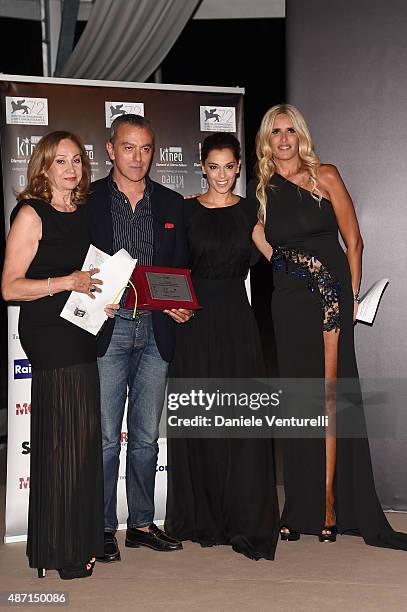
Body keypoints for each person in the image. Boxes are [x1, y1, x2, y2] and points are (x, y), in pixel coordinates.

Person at [251, 103, 407, 549]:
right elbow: (258, 236)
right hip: (288, 302)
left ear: (301, 135)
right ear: (267, 140)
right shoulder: (263, 187)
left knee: (331, 396)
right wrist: (283, 261)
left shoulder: (327, 176)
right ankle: (298, 506)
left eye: (290, 131)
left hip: (330, 297)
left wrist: (350, 296)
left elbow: (353, 240)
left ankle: (331, 504)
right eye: (275, 132)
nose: (283, 140)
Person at [1, 131, 115, 579]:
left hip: (82, 327)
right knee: (67, 437)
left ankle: (69, 540)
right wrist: (66, 283)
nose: (72, 169)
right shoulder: (32, 213)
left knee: (79, 438)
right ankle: (63, 549)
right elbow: (9, 286)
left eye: (77, 161)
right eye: (61, 161)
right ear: (44, 167)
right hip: (49, 333)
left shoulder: (82, 213)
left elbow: (87, 276)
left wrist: (99, 297)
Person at [164, 132, 279, 561]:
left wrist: (321, 277)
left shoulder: (250, 210)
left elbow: (273, 253)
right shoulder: (185, 210)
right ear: (202, 167)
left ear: (238, 167)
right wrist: (171, 307)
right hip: (194, 323)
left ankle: (243, 519)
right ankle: (201, 518)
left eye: (230, 167)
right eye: (214, 167)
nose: (222, 176)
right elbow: (169, 266)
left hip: (236, 320)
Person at [87, 114, 191, 562]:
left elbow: (180, 267)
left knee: (146, 437)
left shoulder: (170, 203)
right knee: (108, 437)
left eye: (145, 148)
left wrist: (181, 301)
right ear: (111, 149)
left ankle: (142, 524)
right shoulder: (86, 199)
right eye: (128, 147)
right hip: (108, 328)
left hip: (155, 329)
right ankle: (102, 526)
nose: (137, 157)